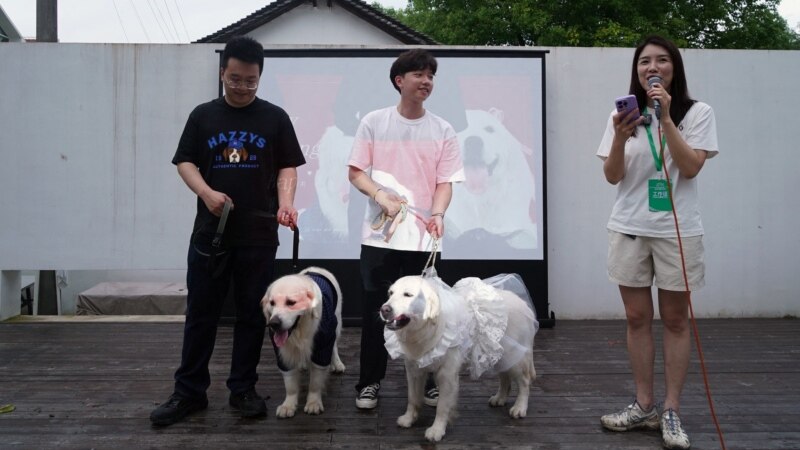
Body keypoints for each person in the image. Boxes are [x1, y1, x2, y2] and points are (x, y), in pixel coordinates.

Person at [150, 35, 306, 427]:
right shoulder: (203, 115)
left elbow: (288, 166)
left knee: (254, 318)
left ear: (260, 78)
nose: (242, 86)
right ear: (223, 73)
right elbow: (185, 161)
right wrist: (205, 193)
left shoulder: (275, 118)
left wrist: (286, 202)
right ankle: (188, 392)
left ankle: (243, 388)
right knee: (201, 314)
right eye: (235, 79)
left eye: (250, 80)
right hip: (210, 235)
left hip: (258, 234)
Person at [596, 35, 719, 449]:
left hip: (677, 231)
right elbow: (613, 176)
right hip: (629, 226)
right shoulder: (621, 115)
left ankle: (671, 410)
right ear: (636, 69)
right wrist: (618, 135)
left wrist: (665, 117)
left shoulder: (696, 112)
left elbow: (691, 167)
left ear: (674, 67)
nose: (652, 67)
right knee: (635, 318)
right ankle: (644, 404)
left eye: (662, 61)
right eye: (645, 61)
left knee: (676, 320)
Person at [347, 48, 465, 409]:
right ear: (400, 81)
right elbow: (356, 172)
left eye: (430, 75)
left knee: (426, 314)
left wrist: (439, 214)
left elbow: (446, 181)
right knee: (376, 310)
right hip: (380, 237)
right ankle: (369, 383)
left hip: (423, 238)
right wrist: (379, 193)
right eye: (419, 74)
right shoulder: (374, 122)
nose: (426, 81)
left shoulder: (443, 129)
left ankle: (428, 382)